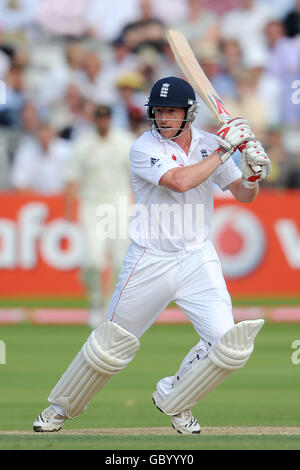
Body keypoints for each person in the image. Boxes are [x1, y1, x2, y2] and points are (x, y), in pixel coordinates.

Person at [33, 77, 270, 434]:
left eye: (171, 110)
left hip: (197, 258)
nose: (163, 117)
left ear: (188, 113)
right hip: (150, 259)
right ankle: (58, 409)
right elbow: (179, 182)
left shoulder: (210, 144)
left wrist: (252, 175)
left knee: (229, 345)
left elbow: (242, 195)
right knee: (109, 347)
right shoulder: (144, 147)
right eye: (158, 110)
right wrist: (227, 150)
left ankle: (176, 397)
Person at [63, 104, 135, 329]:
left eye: (106, 118)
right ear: (94, 119)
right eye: (99, 118)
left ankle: (110, 307)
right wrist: (68, 211)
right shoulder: (84, 143)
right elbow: (72, 178)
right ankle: (95, 301)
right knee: (92, 260)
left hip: (119, 204)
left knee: (118, 261)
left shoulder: (125, 141)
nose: (102, 122)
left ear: (111, 119)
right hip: (92, 205)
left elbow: (137, 176)